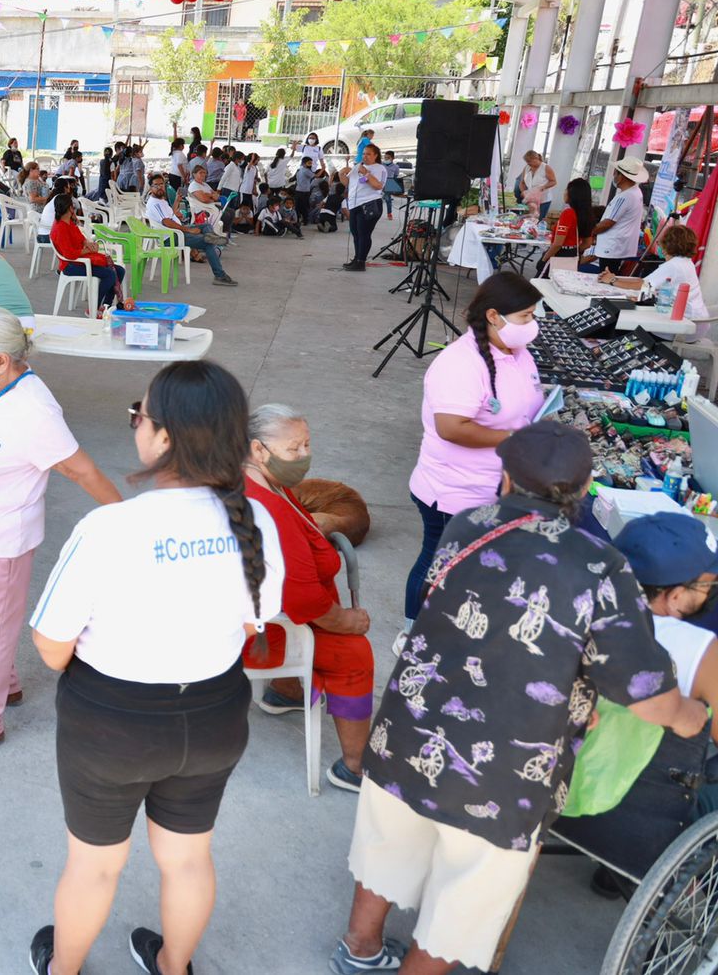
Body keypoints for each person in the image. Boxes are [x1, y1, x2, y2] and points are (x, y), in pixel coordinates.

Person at [329, 421, 706, 975]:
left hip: (408, 726)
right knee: (467, 895)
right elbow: (645, 692)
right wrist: (691, 716)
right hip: (506, 770)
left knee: (390, 839)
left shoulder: (465, 527)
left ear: (506, 477)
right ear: (584, 489)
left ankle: (358, 950)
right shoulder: (600, 567)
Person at [24, 360, 279, 975]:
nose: (136, 423)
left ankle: (63, 970)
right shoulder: (259, 522)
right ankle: (173, 966)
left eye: (139, 413)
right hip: (215, 715)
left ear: (162, 437)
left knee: (95, 865)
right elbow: (254, 625)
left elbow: (51, 648)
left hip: (113, 724)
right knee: (189, 859)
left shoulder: (110, 528)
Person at [0, 308, 122, 764]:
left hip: (3, 536)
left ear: (2, 360)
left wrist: (124, 516)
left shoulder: (35, 409)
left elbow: (80, 469)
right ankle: (4, 683)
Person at [403, 272, 545, 639]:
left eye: (533, 315)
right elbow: (452, 427)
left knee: (469, 565)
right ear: (495, 316)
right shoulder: (460, 363)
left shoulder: (516, 353)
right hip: (453, 488)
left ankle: (455, 626)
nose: (533, 324)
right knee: (438, 561)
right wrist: (512, 438)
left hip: (495, 484)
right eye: (526, 316)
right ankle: (413, 631)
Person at [243, 404, 373, 791]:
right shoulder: (266, 507)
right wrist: (345, 621)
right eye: (294, 449)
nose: (304, 456)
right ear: (258, 450)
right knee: (355, 655)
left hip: (265, 618)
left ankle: (285, 691)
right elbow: (302, 601)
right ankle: (355, 768)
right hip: (265, 633)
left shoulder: (263, 484)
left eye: (307, 445)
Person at [614, 513, 718, 745]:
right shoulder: (698, 649)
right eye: (709, 585)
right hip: (646, 772)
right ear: (675, 597)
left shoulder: (583, 609)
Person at [145, 173, 237, 287]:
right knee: (207, 243)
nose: (159, 187)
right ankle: (220, 275)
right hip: (171, 237)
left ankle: (212, 237)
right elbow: (166, 222)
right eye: (156, 185)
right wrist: (188, 230)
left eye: (161, 184)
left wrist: (177, 202)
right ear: (151, 188)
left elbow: (170, 215)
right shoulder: (155, 203)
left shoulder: (160, 200)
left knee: (205, 226)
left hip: (176, 231)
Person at [49, 194, 129, 311]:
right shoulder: (60, 228)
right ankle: (94, 307)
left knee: (120, 271)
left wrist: (87, 243)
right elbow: (69, 254)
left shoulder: (69, 222)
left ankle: (106, 305)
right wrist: (88, 250)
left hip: (79, 260)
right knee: (110, 274)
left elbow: (80, 237)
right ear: (70, 208)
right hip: (71, 265)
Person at [642, 224, 709, 340]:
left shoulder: (674, 265)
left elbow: (642, 285)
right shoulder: (686, 262)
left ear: (668, 245)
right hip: (696, 324)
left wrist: (613, 280)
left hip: (684, 328)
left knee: (634, 324)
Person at [588, 159, 650, 278]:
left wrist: (589, 232)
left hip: (612, 247)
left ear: (621, 176)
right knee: (610, 278)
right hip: (617, 246)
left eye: (615, 173)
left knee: (606, 279)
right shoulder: (636, 192)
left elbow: (608, 222)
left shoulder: (625, 197)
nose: (613, 175)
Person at [340, 144, 387, 272]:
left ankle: (362, 261)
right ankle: (357, 258)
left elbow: (378, 186)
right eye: (364, 153)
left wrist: (366, 174)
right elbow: (348, 183)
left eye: (368, 154)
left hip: (369, 204)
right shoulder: (358, 167)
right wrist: (341, 174)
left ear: (375, 155)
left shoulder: (380, 168)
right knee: (355, 234)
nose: (365, 156)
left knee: (364, 234)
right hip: (355, 204)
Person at [538, 177, 592, 275]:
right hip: (573, 256)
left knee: (540, 284)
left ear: (572, 194)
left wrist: (544, 259)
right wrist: (572, 250)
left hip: (558, 255)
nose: (564, 192)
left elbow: (558, 244)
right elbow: (587, 243)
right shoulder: (587, 214)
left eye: (566, 189)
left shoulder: (568, 213)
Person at [516, 150, 557, 218]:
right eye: (527, 162)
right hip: (530, 200)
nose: (528, 163)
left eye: (529, 161)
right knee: (528, 220)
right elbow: (522, 183)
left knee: (538, 220)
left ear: (535, 159)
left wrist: (543, 187)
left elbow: (553, 181)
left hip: (543, 200)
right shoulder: (526, 168)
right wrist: (523, 192)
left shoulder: (546, 168)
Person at [293, 156, 317, 225]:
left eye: (311, 163)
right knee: (304, 207)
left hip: (298, 190)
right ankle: (305, 220)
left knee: (298, 207)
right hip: (304, 192)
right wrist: (323, 169)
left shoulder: (299, 169)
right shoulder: (306, 171)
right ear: (304, 163)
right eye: (309, 163)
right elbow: (316, 176)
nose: (310, 165)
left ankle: (297, 220)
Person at [381, 151, 402, 219]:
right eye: (385, 157)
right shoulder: (381, 165)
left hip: (389, 183)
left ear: (393, 158)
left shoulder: (396, 167)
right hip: (380, 182)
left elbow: (395, 176)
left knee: (388, 199)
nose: (386, 159)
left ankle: (389, 213)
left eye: (388, 158)